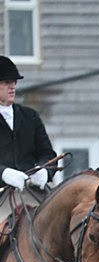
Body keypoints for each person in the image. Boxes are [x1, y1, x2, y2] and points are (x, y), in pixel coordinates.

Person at [0, 55, 57, 224]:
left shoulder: (30, 116)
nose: (12, 87)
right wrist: (3, 173)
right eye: (6, 82)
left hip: (33, 192)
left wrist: (44, 170)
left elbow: (48, 153)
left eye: (14, 83)